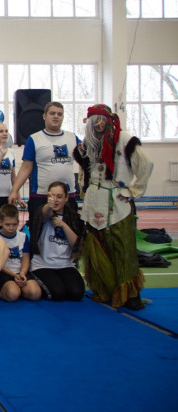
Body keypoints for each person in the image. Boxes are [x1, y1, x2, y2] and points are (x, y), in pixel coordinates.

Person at [74, 104, 153, 310]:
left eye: (102, 120)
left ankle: (130, 294)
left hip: (118, 200)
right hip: (94, 200)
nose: (99, 124)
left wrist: (133, 190)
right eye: (95, 121)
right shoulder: (89, 142)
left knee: (122, 246)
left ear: (109, 120)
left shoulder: (124, 139)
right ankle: (105, 289)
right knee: (98, 245)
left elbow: (146, 164)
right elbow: (84, 168)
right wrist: (84, 187)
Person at [9, 102, 81, 224]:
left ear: (63, 117)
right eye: (52, 113)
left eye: (59, 114)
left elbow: (87, 157)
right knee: (38, 233)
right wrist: (14, 191)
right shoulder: (34, 139)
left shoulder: (73, 138)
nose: (56, 116)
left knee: (70, 232)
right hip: (41, 196)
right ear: (44, 116)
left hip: (68, 197)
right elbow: (26, 168)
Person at [29, 182, 85, 302]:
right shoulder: (43, 212)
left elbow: (76, 245)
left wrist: (63, 225)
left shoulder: (74, 217)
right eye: (52, 196)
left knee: (77, 293)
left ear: (66, 198)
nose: (55, 200)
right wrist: (49, 205)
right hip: (43, 265)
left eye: (59, 197)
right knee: (58, 293)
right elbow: (45, 213)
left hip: (65, 265)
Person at [0, 204, 41, 302]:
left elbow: (26, 258)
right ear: (0, 222)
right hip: (4, 272)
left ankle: (20, 289)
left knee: (35, 294)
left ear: (18, 222)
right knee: (13, 294)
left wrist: (22, 274)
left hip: (19, 272)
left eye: (14, 224)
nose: (11, 228)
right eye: (7, 225)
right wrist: (14, 275)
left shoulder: (23, 237)